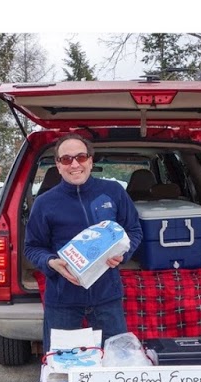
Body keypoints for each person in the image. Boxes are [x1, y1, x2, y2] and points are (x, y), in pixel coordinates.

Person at [22, 133, 143, 353]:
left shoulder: (113, 192)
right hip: (62, 299)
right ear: (58, 165)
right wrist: (50, 262)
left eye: (81, 157)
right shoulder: (44, 203)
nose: (75, 164)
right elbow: (32, 247)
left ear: (91, 160)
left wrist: (123, 254)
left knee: (117, 360)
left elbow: (134, 230)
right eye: (66, 159)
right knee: (62, 365)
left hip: (107, 296)